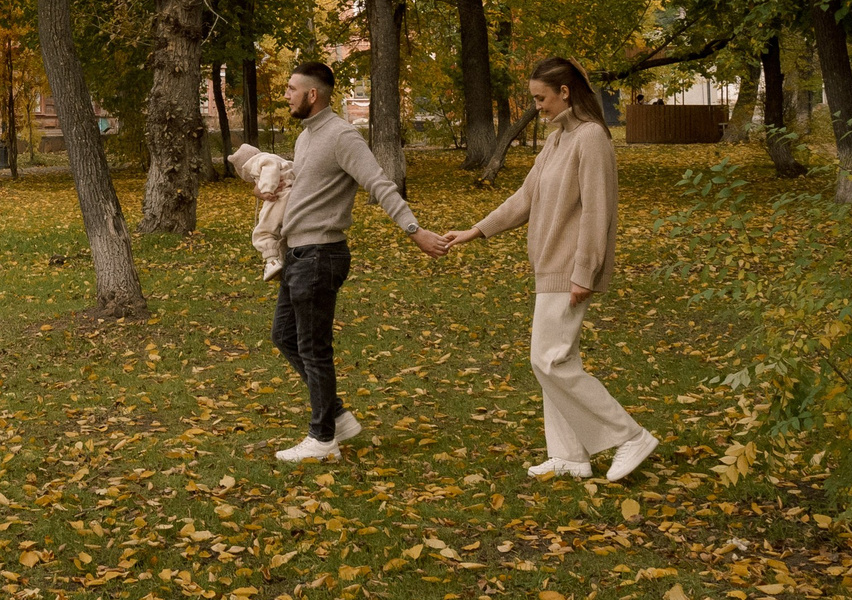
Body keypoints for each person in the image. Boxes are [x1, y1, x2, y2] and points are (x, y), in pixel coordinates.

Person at [441, 56, 658, 483]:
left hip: (569, 269)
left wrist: (584, 272)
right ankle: (569, 456)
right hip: (548, 267)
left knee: (550, 361)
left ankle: (628, 435)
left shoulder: (591, 138)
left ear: (565, 92)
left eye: (541, 98)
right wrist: (475, 231)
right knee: (556, 360)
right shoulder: (557, 140)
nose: (536, 107)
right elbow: (525, 198)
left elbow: (599, 213)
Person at [272, 63, 451, 463]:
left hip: (321, 255)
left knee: (314, 348)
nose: (286, 95)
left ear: (312, 95)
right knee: (284, 336)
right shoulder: (305, 137)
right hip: (298, 253)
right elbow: (307, 188)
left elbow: (378, 183)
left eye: (290, 89)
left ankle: (322, 438)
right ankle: (336, 415)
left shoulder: (342, 136)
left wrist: (414, 230)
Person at [227, 142, 294, 280]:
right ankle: (281, 259)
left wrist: (267, 189)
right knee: (278, 230)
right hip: (291, 197)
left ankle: (272, 261)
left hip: (279, 198)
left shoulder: (260, 162)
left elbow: (270, 169)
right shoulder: (277, 160)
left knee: (263, 231)